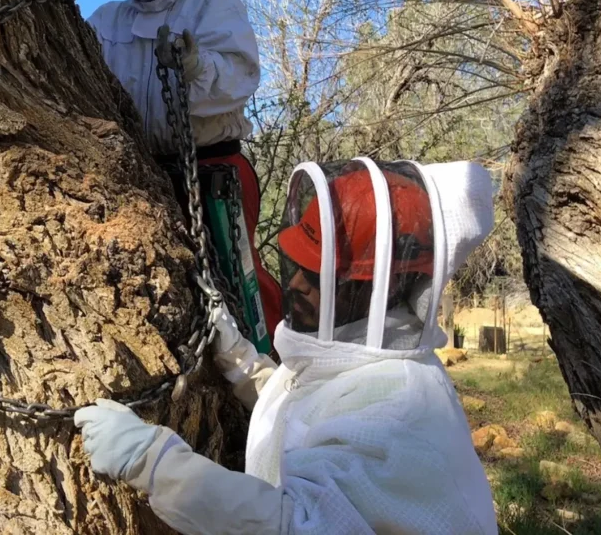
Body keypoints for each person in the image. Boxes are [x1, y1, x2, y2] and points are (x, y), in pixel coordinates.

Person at [75, 157, 499, 535]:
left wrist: (154, 464)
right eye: (297, 265)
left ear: (378, 289)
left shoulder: (399, 408)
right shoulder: (365, 364)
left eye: (314, 275)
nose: (293, 283)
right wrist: (242, 361)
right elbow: (310, 413)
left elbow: (296, 523)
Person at [89, 0, 282, 340]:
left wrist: (195, 67)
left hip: (214, 170)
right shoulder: (109, 19)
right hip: (144, 176)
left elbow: (242, 75)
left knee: (237, 278)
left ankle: (274, 359)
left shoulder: (213, 2)